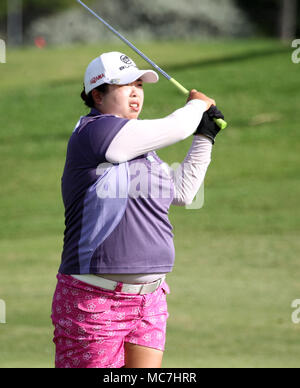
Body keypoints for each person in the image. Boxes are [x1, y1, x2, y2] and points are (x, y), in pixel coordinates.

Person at [51, 51, 224, 368]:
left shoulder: (143, 150)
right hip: (95, 300)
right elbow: (175, 127)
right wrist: (198, 104)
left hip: (150, 299)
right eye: (124, 85)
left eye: (140, 85)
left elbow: (182, 193)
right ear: (97, 94)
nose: (135, 93)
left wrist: (205, 136)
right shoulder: (94, 133)